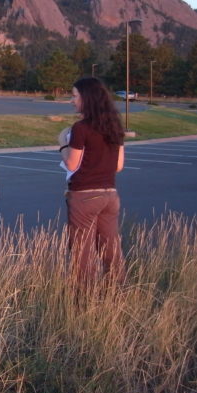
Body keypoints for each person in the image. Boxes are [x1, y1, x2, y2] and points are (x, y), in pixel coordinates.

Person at [58, 76, 126, 288]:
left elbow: (72, 163)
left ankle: (84, 299)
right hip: (110, 195)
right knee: (110, 249)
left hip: (85, 195)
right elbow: (118, 165)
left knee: (82, 252)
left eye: (74, 96)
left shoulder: (81, 128)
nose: (72, 101)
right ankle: (118, 292)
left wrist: (62, 144)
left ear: (86, 98)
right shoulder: (114, 126)